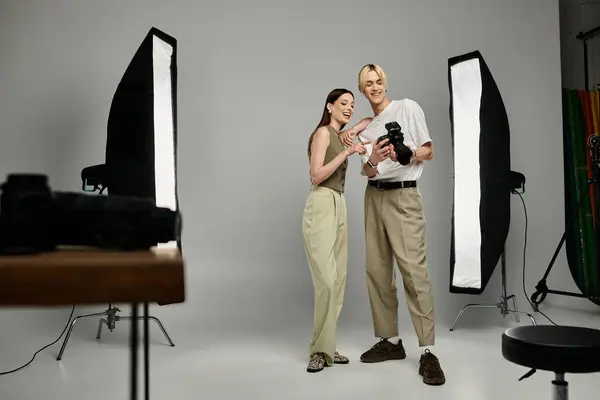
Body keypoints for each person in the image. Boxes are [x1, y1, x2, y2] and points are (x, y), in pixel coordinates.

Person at [340, 64, 445, 385]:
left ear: (386, 83)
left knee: (414, 273)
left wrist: (407, 152)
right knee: (378, 271)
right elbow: (367, 172)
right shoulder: (367, 128)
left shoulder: (407, 107)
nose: (374, 87)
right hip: (374, 197)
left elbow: (429, 150)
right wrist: (375, 158)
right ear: (362, 90)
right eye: (368, 84)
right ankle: (390, 340)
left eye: (378, 81)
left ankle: (427, 351)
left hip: (404, 197)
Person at [302, 88, 371, 373]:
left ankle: (327, 346)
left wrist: (350, 130)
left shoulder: (341, 134)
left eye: (351, 104)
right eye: (343, 103)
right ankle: (318, 351)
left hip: (339, 204)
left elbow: (368, 120)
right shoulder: (321, 134)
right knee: (327, 281)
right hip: (321, 202)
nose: (349, 107)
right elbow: (316, 174)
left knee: (339, 281)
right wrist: (347, 151)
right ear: (328, 106)